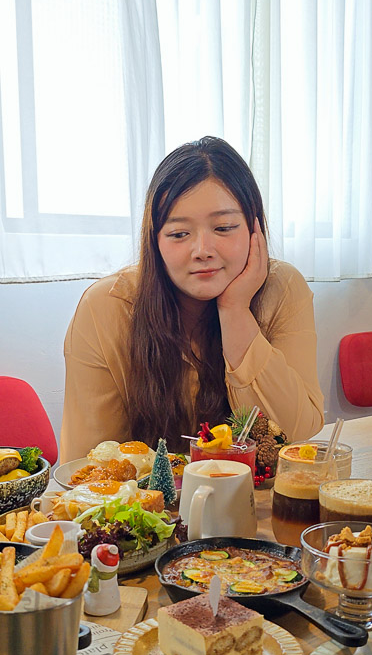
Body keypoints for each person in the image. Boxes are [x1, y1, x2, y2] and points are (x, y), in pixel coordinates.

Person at [59, 137, 325, 461]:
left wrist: (236, 310)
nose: (202, 251)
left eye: (224, 227)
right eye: (179, 234)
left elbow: (297, 432)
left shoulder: (282, 288)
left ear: (255, 229)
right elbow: (88, 464)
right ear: (154, 241)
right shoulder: (106, 307)